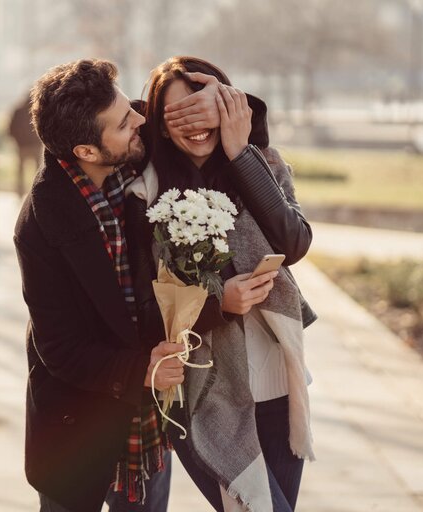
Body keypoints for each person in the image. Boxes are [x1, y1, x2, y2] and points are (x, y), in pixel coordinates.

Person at [13, 58, 222, 512]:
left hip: (147, 424)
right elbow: (60, 349)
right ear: (87, 151)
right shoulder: (39, 225)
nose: (141, 122)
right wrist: (142, 370)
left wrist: (224, 100)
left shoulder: (132, 152)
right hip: (76, 430)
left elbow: (206, 121)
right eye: (126, 122)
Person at [125, 56, 317, 511]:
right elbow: (141, 308)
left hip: (278, 386)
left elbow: (294, 241)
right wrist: (218, 304)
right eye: (178, 115)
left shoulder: (260, 164)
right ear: (161, 123)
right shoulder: (145, 193)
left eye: (204, 108)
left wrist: (239, 149)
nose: (195, 124)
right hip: (204, 397)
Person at [8, 94, 44, 197]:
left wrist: (17, 141)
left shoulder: (17, 111)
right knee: (38, 171)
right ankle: (36, 192)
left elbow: (10, 128)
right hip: (33, 146)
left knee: (21, 171)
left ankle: (20, 192)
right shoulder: (36, 111)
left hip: (22, 146)